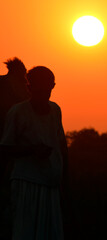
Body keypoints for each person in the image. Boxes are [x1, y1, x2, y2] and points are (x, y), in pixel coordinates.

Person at [0, 66, 68, 240]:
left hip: (52, 185)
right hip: (26, 184)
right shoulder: (17, 112)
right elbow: (5, 148)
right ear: (28, 88)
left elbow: (62, 146)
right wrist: (32, 150)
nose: (43, 95)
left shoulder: (55, 110)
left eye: (46, 91)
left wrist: (64, 182)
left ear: (53, 86)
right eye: (39, 91)